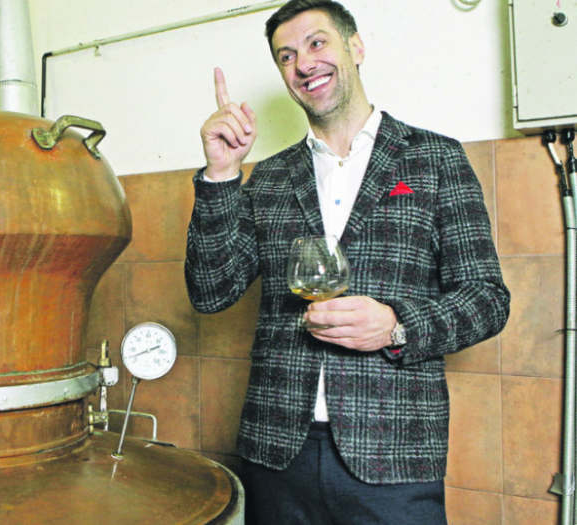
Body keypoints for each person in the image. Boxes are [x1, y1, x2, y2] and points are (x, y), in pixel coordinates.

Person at [184, 1, 510, 523]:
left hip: (394, 457)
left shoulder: (435, 159)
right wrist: (221, 175)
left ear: (355, 47)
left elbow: (488, 299)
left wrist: (396, 325)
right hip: (276, 453)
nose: (303, 63)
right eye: (286, 56)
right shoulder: (268, 178)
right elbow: (211, 291)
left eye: (317, 43)